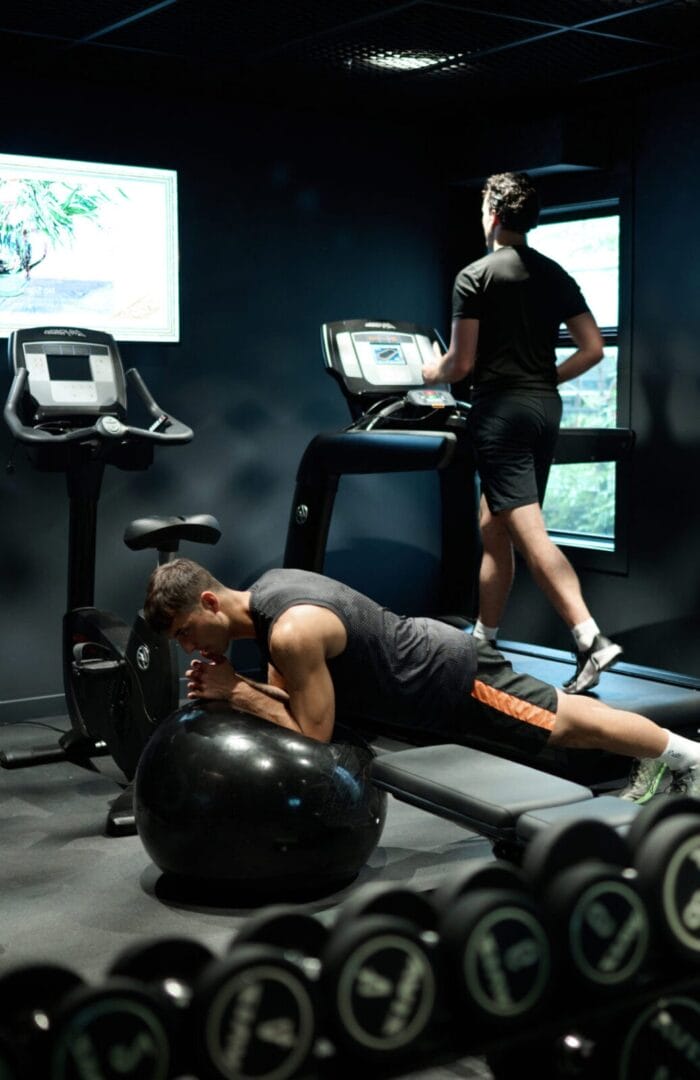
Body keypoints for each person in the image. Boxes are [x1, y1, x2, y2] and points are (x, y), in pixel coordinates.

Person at [143, 558, 699, 803]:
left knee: (566, 724)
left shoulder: (290, 631)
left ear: (211, 602)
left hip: (446, 675)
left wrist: (236, 692)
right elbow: (290, 702)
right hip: (428, 670)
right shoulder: (268, 596)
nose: (189, 647)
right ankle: (672, 761)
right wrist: (238, 686)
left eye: (187, 632)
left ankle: (687, 758)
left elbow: (312, 736)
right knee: (564, 722)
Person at [422, 170, 621, 695]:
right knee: (496, 526)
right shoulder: (554, 273)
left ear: (491, 213)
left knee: (530, 536)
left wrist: (427, 373)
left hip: (501, 414)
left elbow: (460, 365)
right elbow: (594, 348)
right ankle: (483, 639)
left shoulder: (475, 275)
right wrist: (542, 378)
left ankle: (590, 639)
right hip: (543, 410)